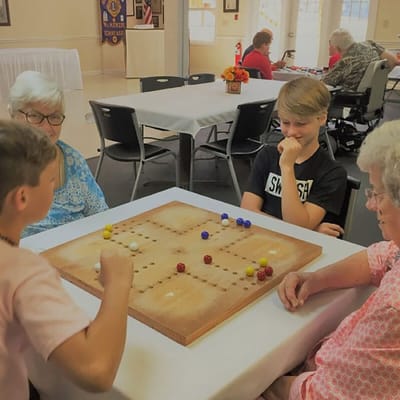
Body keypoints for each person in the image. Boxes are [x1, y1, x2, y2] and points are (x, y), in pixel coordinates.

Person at [262, 119, 400, 400]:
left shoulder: (393, 308)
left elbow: (321, 394)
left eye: (377, 193)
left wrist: (262, 384)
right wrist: (316, 279)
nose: (370, 204)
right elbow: (382, 257)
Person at [0, 119, 133, 399]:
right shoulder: (23, 271)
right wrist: (118, 283)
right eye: (51, 180)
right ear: (22, 197)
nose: (55, 186)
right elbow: (96, 372)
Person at [8, 70, 108, 237]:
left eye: (54, 117)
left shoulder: (73, 160)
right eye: (35, 116)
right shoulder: (6, 164)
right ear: (13, 115)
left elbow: (101, 214)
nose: (47, 128)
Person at [241, 77, 347, 233]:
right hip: (261, 239)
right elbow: (247, 211)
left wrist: (287, 167)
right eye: (285, 122)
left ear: (322, 118)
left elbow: (296, 228)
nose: (290, 132)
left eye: (301, 123)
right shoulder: (267, 155)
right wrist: (312, 230)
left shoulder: (332, 172)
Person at [323, 28, 399, 91]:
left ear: (337, 48)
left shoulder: (344, 62)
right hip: (374, 96)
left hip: (350, 99)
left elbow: (324, 84)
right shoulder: (370, 44)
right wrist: (379, 82)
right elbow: (394, 61)